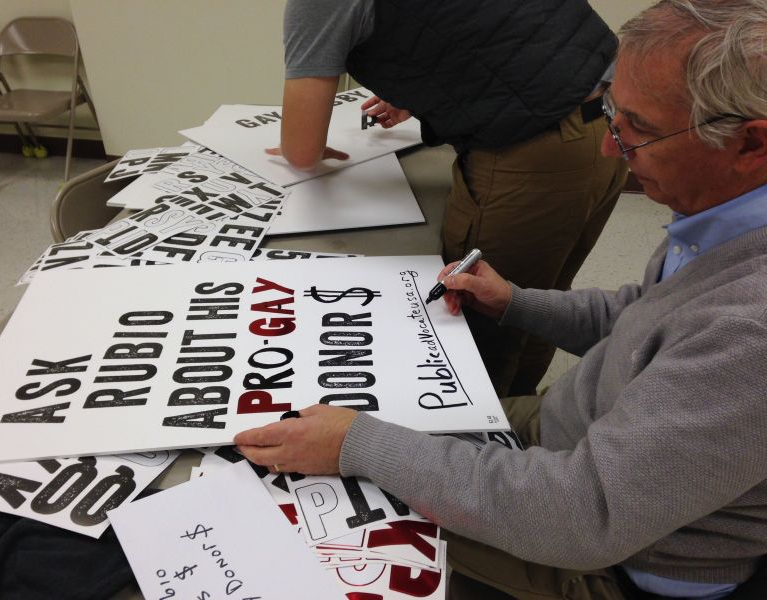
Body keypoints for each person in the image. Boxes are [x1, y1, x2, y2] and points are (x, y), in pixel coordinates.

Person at [237, 0, 767, 598]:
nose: (607, 149)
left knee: (290, 517)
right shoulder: (724, 220)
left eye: (638, 128)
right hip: (574, 441)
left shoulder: (751, 328)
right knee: (337, 432)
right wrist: (513, 300)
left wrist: (355, 444)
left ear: (750, 144)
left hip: (610, 555)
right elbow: (639, 317)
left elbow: (581, 516)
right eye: (613, 114)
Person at [269, 0, 629, 398]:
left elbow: (302, 151)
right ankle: (518, 409)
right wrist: (426, 86)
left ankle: (489, 426)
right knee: (538, 302)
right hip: (611, 115)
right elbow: (485, 25)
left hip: (537, 145)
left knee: (476, 320)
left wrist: (297, 141)